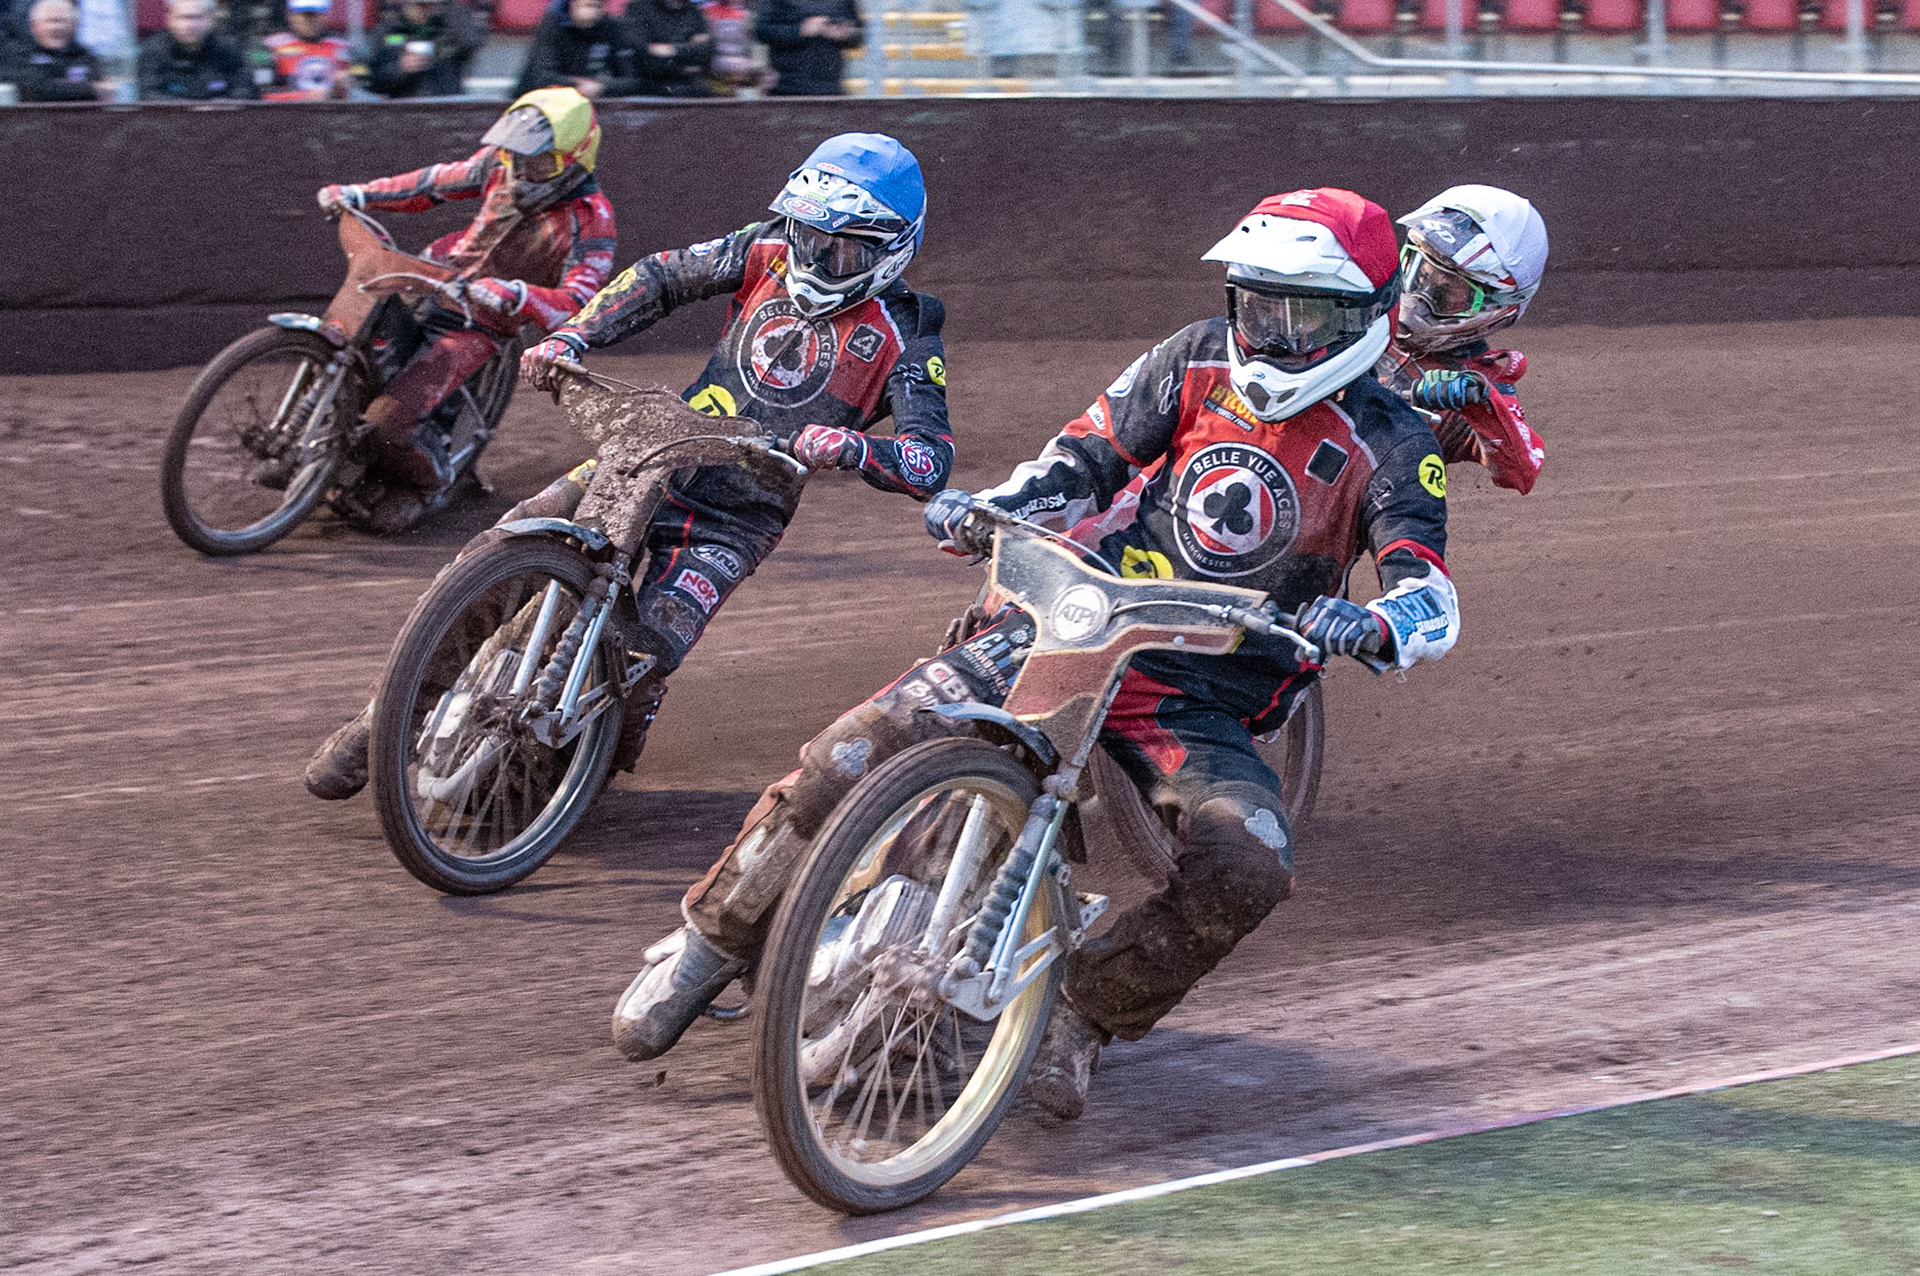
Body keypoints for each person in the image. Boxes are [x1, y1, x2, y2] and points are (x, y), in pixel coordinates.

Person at [609, 188, 1462, 1123]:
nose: (1274, 332)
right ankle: (709, 943)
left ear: (1370, 317)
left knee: (1249, 865)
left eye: (1304, 313)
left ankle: (1084, 1017)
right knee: (860, 744)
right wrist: (996, 506)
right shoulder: (1193, 358)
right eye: (1258, 304)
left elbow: (1424, 578)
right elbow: (1082, 454)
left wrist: (1383, 623)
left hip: (1200, 689)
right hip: (1075, 621)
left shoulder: (1392, 440)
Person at [304, 131, 951, 801]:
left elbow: (928, 459)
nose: (813, 253)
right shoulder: (766, 248)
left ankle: (592, 748)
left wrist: (854, 448)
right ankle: (377, 725)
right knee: (492, 558)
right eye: (807, 234)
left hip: (738, 513)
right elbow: (661, 275)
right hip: (653, 451)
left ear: (890, 244)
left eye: (839, 245)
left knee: (650, 646)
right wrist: (575, 334)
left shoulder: (908, 333)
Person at [310, 86, 618, 534]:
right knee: (348, 334)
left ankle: (427, 483)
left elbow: (578, 305)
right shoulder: (499, 164)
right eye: (516, 155)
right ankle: (308, 438)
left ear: (575, 159)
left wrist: (516, 295)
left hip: (481, 319)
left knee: (391, 418)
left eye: (539, 162)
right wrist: (359, 194)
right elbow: (433, 182)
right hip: (432, 274)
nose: (521, 170)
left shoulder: (592, 220)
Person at [1377, 185, 1550, 495]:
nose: (1421, 295)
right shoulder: (1363, 307)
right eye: (1420, 272)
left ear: (1497, 307)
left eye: (1446, 292)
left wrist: (1478, 403)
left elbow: (1521, 471)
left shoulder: (1474, 383)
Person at [513, 0, 643, 99]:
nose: (590, 12)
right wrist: (576, 84)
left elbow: (632, 80)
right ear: (571, 4)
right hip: (547, 102)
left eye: (595, 5)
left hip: (596, 106)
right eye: (584, 5)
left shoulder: (614, 28)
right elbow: (541, 76)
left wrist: (603, 86)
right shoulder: (552, 26)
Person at [365, 0, 485, 98]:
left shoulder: (451, 23)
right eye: (420, 5)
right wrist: (400, 69)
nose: (425, 9)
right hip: (403, 109)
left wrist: (446, 8)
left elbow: (471, 43)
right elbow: (374, 80)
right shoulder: (390, 27)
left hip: (446, 107)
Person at [137, 0, 254, 99]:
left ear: (211, 19)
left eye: (197, 18)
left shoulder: (229, 50)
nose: (189, 26)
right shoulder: (154, 51)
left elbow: (246, 92)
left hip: (220, 119)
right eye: (182, 18)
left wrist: (219, 106)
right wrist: (192, 109)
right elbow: (149, 95)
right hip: (172, 121)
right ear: (169, 19)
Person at [4, 0, 104, 101]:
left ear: (74, 25)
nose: (56, 27)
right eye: (50, 21)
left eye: (62, 21)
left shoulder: (84, 56)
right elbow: (35, 89)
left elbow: (101, 89)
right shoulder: (18, 55)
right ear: (34, 25)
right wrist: (91, 89)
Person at [755, 0, 859, 96]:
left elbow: (858, 34)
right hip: (786, 88)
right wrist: (800, 30)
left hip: (830, 88)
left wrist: (845, 33)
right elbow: (762, 31)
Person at [257, 0, 355, 100]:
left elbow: (363, 87)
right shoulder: (272, 47)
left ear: (326, 15)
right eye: (303, 14)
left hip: (334, 112)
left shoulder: (342, 47)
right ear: (290, 15)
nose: (309, 20)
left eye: (315, 15)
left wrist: (347, 86)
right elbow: (261, 95)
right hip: (288, 113)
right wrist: (305, 97)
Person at [625, 0, 713, 96]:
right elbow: (644, 52)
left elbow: (705, 51)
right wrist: (687, 62)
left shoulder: (694, 11)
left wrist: (672, 49)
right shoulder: (638, 8)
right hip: (650, 86)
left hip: (692, 86)